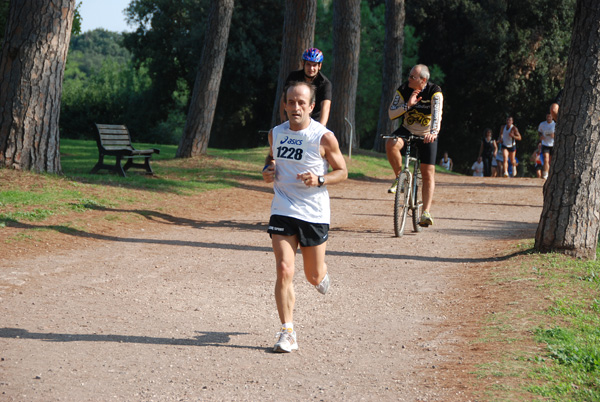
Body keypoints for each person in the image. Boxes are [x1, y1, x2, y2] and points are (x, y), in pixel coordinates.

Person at [262, 81, 347, 353]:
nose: (295, 107)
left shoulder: (323, 137)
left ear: (311, 106)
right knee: (284, 268)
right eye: (290, 102)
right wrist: (268, 168)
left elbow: (342, 171)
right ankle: (287, 331)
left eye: (301, 103)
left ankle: (321, 276)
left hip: (314, 211)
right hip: (283, 207)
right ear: (284, 105)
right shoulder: (276, 133)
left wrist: (319, 178)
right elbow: (272, 159)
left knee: (312, 275)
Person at [385, 64, 443, 227]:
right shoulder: (403, 89)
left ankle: (425, 212)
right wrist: (408, 105)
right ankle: (399, 177)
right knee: (391, 143)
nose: (408, 79)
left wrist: (433, 132)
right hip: (407, 129)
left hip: (427, 133)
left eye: (412, 77)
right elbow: (391, 114)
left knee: (427, 172)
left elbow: (437, 113)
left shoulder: (434, 91)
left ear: (423, 80)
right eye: (409, 75)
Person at [279, 48, 332, 127]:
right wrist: (283, 121)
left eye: (314, 65)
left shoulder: (325, 84)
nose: (311, 68)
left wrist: (321, 129)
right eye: (308, 64)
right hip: (294, 119)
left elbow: (326, 107)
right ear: (303, 63)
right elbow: (284, 98)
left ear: (319, 66)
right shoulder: (294, 77)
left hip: (314, 122)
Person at [538, 112, 555, 179]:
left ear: (552, 117)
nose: (548, 118)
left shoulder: (555, 124)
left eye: (550, 116)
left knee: (551, 160)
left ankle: (551, 174)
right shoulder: (542, 124)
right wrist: (541, 136)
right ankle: (545, 173)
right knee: (546, 159)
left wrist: (554, 135)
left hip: (553, 144)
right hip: (545, 144)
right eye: (547, 117)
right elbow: (539, 132)